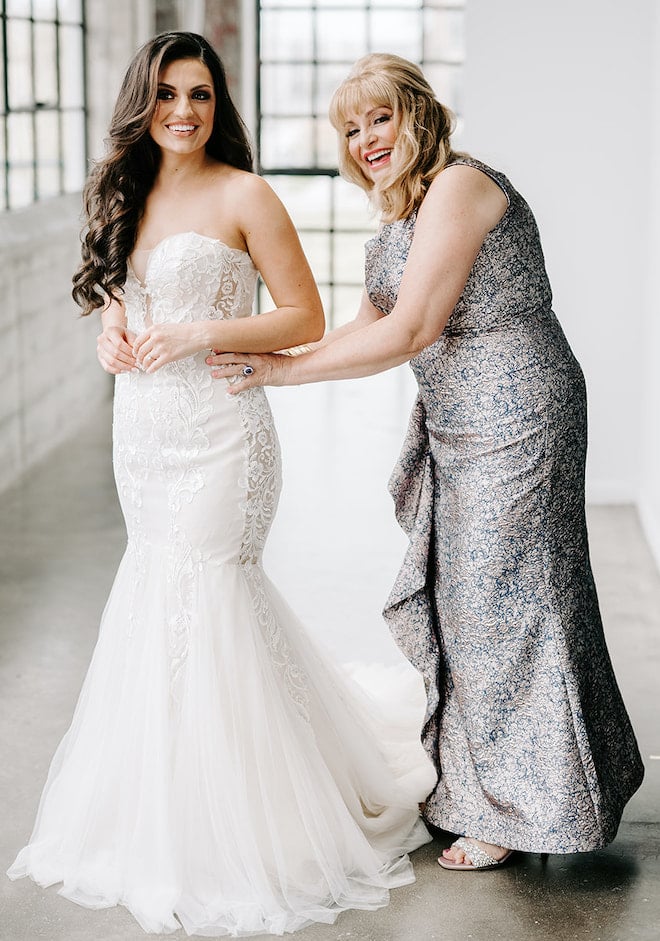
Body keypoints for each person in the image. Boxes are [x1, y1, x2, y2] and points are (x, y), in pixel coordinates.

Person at [7, 34, 436, 935]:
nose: (184, 112)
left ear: (218, 104)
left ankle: (243, 828)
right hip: (143, 434)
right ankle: (166, 806)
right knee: (160, 598)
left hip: (223, 433)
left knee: (208, 596)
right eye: (167, 94)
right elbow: (116, 303)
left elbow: (305, 315)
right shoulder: (124, 192)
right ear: (143, 101)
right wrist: (110, 340)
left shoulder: (246, 193)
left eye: (201, 95)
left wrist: (204, 333)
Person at [209, 52, 645, 871]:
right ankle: (509, 788)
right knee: (472, 602)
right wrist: (252, 352)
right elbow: (357, 329)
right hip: (457, 418)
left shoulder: (460, 187)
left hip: (519, 412)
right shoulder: (402, 216)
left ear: (417, 112)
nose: (367, 138)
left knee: (502, 605)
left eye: (380, 118)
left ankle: (523, 810)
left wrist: (279, 372)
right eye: (350, 128)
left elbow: (409, 332)